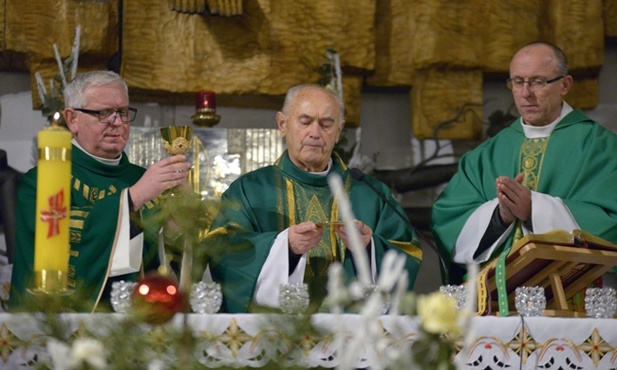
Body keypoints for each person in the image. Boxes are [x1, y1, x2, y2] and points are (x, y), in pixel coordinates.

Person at [205, 84, 422, 313]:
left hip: (351, 339)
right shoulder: (249, 190)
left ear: (339, 130)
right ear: (282, 124)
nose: (315, 133)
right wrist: (284, 247)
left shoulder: (370, 193)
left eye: (326, 124)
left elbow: (408, 251)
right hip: (275, 335)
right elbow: (223, 250)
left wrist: (370, 248)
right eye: (305, 122)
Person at [431, 42, 617, 306]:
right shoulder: (486, 155)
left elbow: (611, 223)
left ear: (564, 85)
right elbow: (447, 219)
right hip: (496, 307)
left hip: (580, 303)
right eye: (518, 82)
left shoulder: (603, 149)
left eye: (538, 82)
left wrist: (536, 209)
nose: (526, 93)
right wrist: (499, 217)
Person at [10, 70, 191, 311]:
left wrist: (176, 227)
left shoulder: (141, 178)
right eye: (104, 113)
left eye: (123, 113)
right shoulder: (43, 182)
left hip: (143, 321)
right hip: (71, 324)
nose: (117, 123)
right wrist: (132, 198)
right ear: (72, 119)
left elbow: (166, 262)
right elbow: (65, 247)